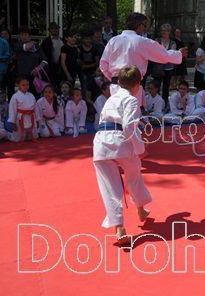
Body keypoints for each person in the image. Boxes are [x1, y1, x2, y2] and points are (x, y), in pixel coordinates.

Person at [92, 65, 150, 245]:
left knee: (109, 187)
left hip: (101, 143)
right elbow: (129, 126)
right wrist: (140, 149)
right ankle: (140, 209)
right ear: (138, 85)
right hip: (120, 142)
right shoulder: (131, 100)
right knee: (134, 175)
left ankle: (119, 228)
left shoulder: (110, 99)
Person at [99, 13, 187, 106]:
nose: (144, 28)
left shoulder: (113, 40)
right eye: (144, 25)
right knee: (131, 112)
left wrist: (115, 78)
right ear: (139, 25)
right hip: (133, 86)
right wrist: (178, 53)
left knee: (116, 112)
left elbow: (103, 64)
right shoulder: (141, 41)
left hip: (116, 85)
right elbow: (162, 55)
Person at [150, 24, 178, 100]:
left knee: (166, 87)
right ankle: (155, 102)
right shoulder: (157, 41)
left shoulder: (173, 42)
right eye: (162, 30)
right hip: (158, 68)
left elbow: (171, 54)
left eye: (165, 31)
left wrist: (162, 54)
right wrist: (166, 54)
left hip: (168, 68)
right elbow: (155, 53)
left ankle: (164, 103)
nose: (163, 32)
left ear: (169, 32)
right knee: (156, 87)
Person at [8, 77, 38, 142]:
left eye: (27, 84)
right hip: (20, 118)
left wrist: (37, 119)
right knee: (18, 139)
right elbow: (12, 110)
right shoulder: (15, 96)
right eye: (23, 85)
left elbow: (36, 108)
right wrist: (13, 123)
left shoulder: (31, 95)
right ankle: (8, 135)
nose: (26, 86)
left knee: (33, 136)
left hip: (31, 117)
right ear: (18, 85)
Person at [77, 32, 102, 102]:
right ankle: (84, 103)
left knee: (94, 88)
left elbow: (97, 62)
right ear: (83, 40)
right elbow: (79, 63)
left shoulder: (95, 48)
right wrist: (86, 66)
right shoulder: (79, 48)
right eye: (86, 39)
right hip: (82, 72)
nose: (88, 41)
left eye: (89, 39)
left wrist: (87, 66)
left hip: (93, 72)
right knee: (84, 88)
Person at [40, 22, 64, 87]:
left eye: (56, 28)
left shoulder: (62, 40)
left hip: (61, 67)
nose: (55, 30)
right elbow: (42, 54)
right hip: (50, 66)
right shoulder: (46, 41)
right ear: (49, 30)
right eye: (52, 28)